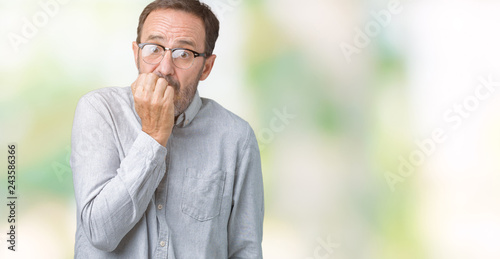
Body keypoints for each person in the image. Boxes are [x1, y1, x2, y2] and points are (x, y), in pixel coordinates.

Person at [70, 0, 264, 258]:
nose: (164, 68)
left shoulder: (236, 137)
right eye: (153, 48)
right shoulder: (99, 111)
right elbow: (100, 232)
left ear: (206, 67)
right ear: (136, 53)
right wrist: (153, 137)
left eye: (184, 53)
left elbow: (245, 250)